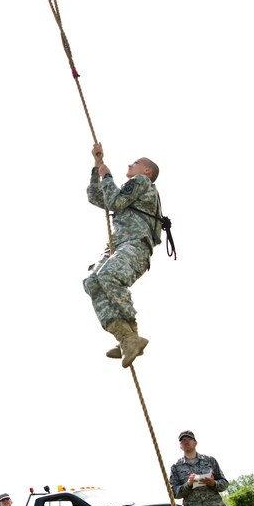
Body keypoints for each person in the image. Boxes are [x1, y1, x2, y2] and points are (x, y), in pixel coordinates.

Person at [83, 141, 162, 368]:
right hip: (117, 244)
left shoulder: (141, 181)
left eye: (136, 163)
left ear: (147, 171)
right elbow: (99, 198)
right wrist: (97, 165)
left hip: (135, 243)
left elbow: (115, 201)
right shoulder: (134, 189)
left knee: (107, 276)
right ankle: (126, 336)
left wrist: (107, 177)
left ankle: (130, 337)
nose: (130, 164)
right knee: (92, 282)